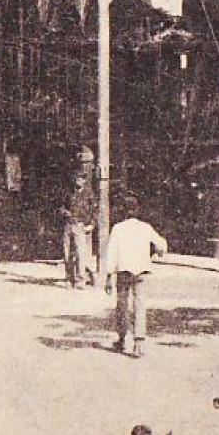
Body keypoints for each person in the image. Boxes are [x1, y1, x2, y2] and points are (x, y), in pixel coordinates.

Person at [102, 195, 170, 357]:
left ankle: (122, 338)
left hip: (124, 270)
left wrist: (108, 275)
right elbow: (161, 244)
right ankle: (139, 343)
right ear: (137, 211)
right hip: (141, 270)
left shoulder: (118, 228)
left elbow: (112, 252)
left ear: (123, 212)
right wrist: (159, 252)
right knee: (140, 305)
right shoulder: (145, 227)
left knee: (122, 305)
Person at [63, 148, 98, 288]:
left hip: (81, 224)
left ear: (85, 180)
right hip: (68, 224)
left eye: (82, 179)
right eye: (77, 179)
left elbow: (95, 210)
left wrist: (92, 224)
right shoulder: (69, 193)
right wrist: (64, 213)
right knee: (67, 252)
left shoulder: (89, 194)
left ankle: (80, 279)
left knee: (80, 253)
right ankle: (69, 277)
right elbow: (61, 206)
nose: (79, 181)